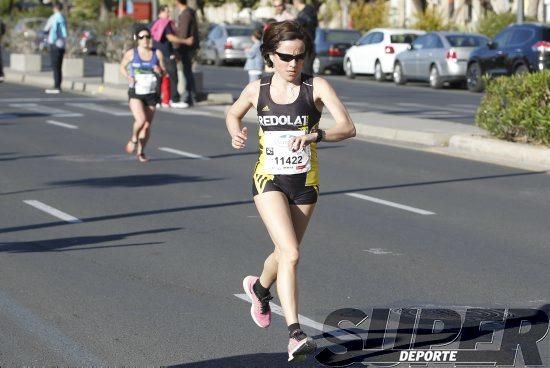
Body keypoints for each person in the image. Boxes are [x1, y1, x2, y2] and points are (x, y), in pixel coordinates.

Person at [225, 21, 356, 363]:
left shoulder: (317, 86)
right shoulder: (258, 90)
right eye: (285, 57)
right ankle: (295, 334)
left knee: (284, 252)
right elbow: (233, 112)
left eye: (300, 57)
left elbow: (347, 127)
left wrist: (318, 136)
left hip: (305, 183)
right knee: (292, 254)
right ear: (270, 55)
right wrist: (235, 129)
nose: (293, 64)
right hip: (269, 179)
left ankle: (258, 288)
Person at [120, 25, 166, 163]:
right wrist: (128, 76)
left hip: (151, 93)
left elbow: (164, 72)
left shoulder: (157, 53)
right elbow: (122, 67)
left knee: (146, 126)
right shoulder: (132, 53)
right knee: (141, 120)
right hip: (136, 92)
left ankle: (141, 152)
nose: (145, 40)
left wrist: (160, 70)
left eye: (147, 37)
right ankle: (134, 139)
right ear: (137, 39)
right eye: (141, 37)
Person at [151, 5, 194, 108]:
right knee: (173, 77)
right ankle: (174, 99)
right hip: (166, 54)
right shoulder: (165, 24)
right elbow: (170, 37)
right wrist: (186, 41)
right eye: (167, 12)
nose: (168, 14)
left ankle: (157, 100)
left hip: (155, 53)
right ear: (161, 12)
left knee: (158, 77)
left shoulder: (154, 23)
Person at [175, 0, 200, 107]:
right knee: (187, 71)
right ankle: (192, 95)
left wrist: (177, 46)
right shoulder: (190, 12)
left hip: (185, 47)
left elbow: (183, 33)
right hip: (190, 47)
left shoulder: (185, 14)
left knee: (186, 72)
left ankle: (188, 96)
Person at [44, 3, 68, 94]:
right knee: (59, 66)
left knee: (55, 66)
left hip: (55, 44)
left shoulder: (54, 18)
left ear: (54, 8)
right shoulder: (63, 17)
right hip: (62, 44)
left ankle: (56, 86)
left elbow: (48, 29)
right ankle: (58, 85)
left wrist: (52, 40)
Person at [293, 0, 317, 75]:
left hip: (307, 44)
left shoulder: (308, 11)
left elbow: (309, 24)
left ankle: (307, 86)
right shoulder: (306, 11)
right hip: (304, 44)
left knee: (306, 70)